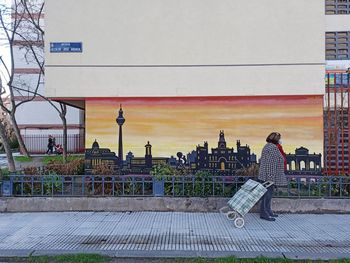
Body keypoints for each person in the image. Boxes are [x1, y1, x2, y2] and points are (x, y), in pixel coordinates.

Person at [258, 132, 287, 221]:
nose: (280, 140)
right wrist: (271, 178)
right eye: (279, 138)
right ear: (275, 139)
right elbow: (271, 164)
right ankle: (264, 213)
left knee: (268, 194)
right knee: (267, 195)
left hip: (266, 175)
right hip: (269, 176)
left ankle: (268, 211)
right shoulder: (272, 148)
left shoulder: (267, 146)